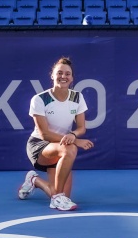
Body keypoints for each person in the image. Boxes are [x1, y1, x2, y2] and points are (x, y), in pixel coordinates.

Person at [18, 56, 95, 211]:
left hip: (62, 146)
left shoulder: (77, 97)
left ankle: (35, 180)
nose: (63, 77)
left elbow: (81, 128)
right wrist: (75, 141)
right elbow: (45, 134)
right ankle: (56, 198)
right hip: (40, 147)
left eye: (67, 74)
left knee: (63, 194)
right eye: (59, 73)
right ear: (52, 76)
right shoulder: (39, 99)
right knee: (70, 149)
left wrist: (73, 135)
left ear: (72, 78)